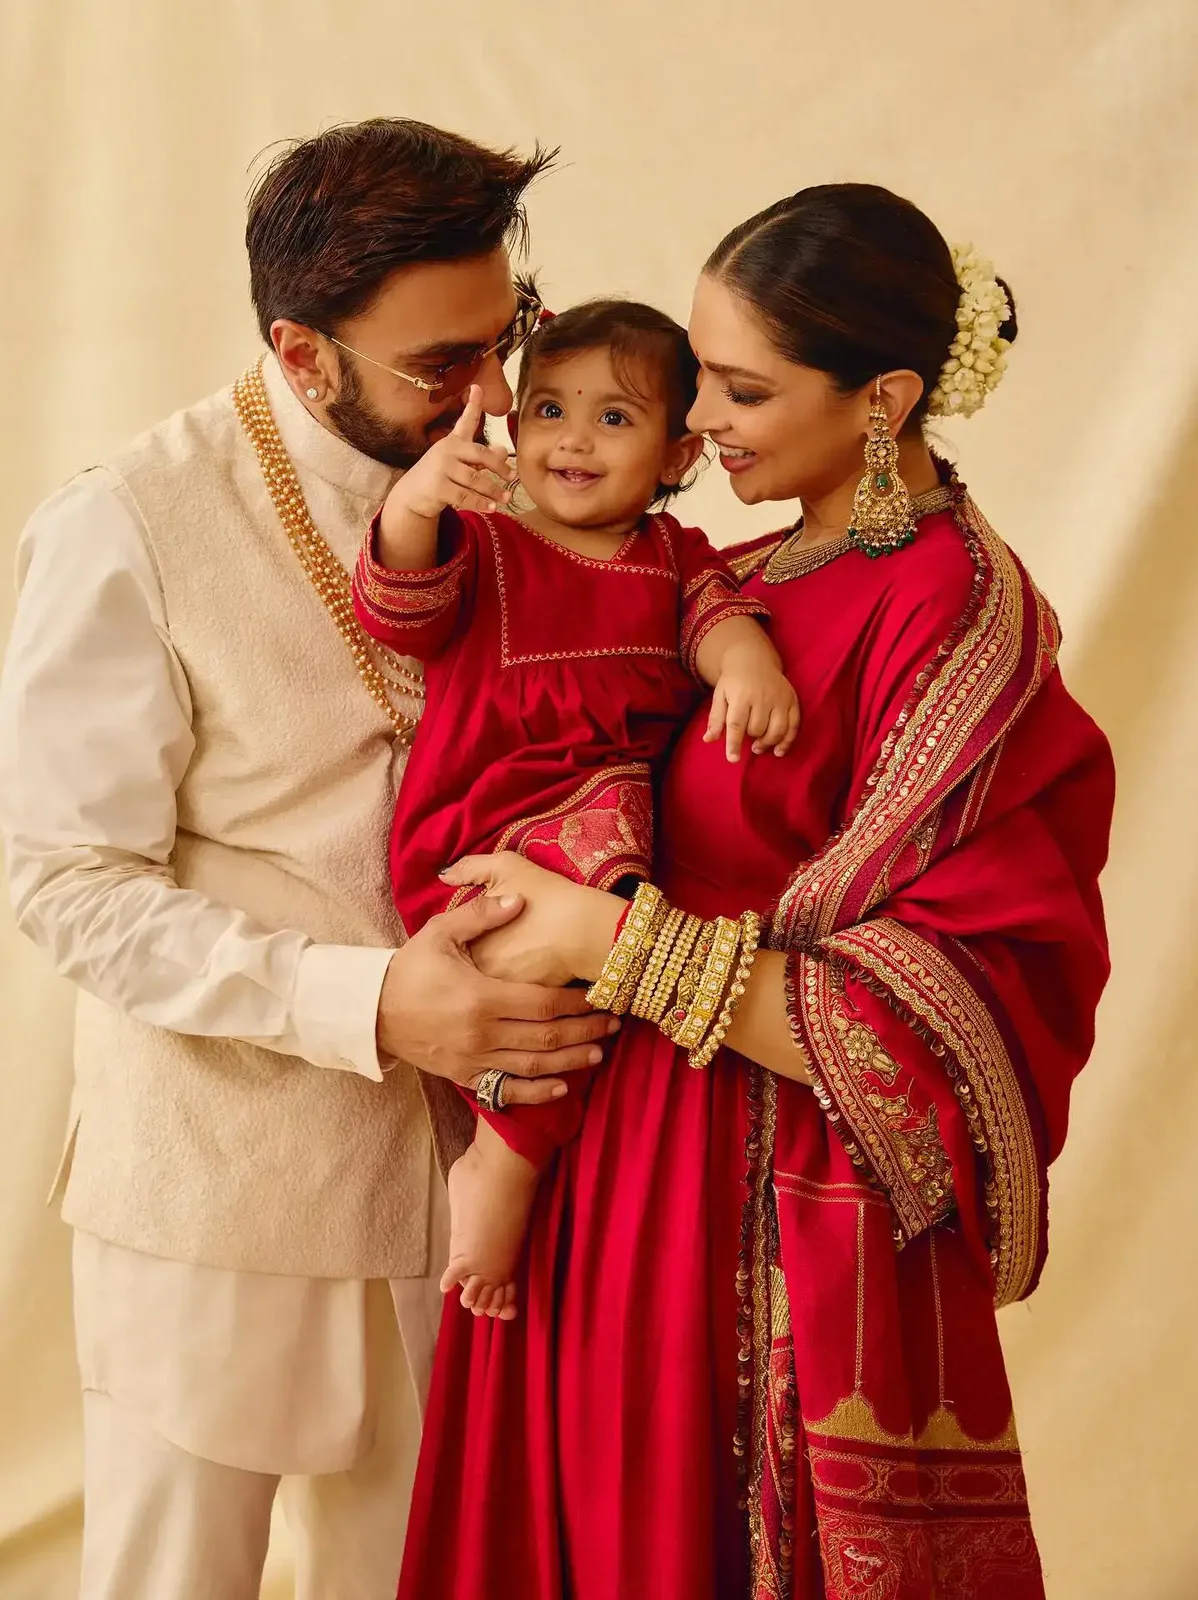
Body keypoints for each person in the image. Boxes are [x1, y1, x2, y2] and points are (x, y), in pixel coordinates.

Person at [396, 184, 1116, 1600]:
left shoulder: (955, 611)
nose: (698, 422)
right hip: (607, 1147)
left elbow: (959, 1006)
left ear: (885, 398)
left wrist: (621, 944)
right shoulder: (725, 574)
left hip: (761, 1202)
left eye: (739, 387)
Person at [0, 118, 618, 1600]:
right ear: (302, 346)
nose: (488, 398)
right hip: (218, 1187)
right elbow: (62, 882)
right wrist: (368, 1006)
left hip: (482, 1189)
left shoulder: (535, 476)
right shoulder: (129, 523)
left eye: (505, 336)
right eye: (435, 368)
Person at [351, 299, 798, 1316]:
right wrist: (419, 499)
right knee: (583, 949)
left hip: (600, 827)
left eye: (613, 419)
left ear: (679, 451)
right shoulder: (490, 542)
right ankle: (502, 1164)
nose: (570, 439)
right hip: (482, 817)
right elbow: (397, 602)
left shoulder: (674, 555)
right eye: (548, 408)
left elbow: (720, 624)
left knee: (582, 993)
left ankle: (503, 1155)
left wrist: (749, 665)